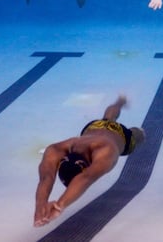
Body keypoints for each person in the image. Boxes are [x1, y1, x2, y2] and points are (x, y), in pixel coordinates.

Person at [34, 95, 145, 228]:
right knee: (108, 119)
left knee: (137, 135)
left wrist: (59, 206)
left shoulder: (106, 153)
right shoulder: (57, 149)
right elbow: (47, 177)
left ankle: (135, 128)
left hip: (118, 137)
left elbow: (86, 178)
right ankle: (121, 101)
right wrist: (40, 207)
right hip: (93, 128)